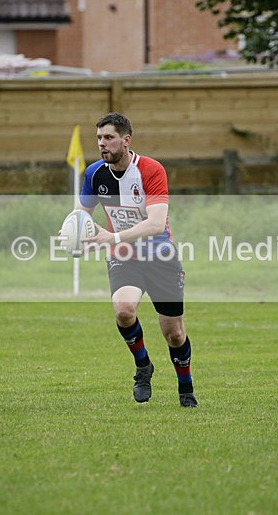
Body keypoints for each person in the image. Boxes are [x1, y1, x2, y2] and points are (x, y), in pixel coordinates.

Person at [75, 112, 197, 408]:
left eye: (109, 138)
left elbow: (155, 223)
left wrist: (112, 237)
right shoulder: (94, 174)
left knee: (174, 334)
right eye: (99, 138)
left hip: (160, 257)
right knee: (124, 310)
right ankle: (143, 366)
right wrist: (73, 235)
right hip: (124, 256)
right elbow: (81, 214)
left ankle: (186, 388)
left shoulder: (151, 170)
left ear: (126, 140)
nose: (102, 143)